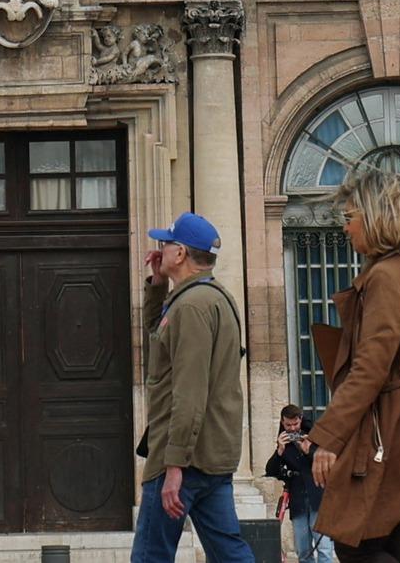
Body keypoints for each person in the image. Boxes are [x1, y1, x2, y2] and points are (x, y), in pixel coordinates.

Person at [305, 167, 400, 563]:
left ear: (374, 217)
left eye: (349, 217)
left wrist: (328, 438)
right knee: (392, 540)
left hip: (397, 425)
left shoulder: (387, 276)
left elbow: (370, 368)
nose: (345, 228)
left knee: (355, 541)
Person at [133, 211, 256, 563]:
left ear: (181, 253)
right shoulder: (212, 298)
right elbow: (162, 341)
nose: (160, 248)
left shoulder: (192, 306)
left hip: (183, 456)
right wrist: (157, 287)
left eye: (166, 243)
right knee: (229, 552)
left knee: (150, 556)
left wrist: (174, 465)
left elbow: (189, 391)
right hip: (211, 455)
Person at [265, 405, 332, 563]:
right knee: (303, 550)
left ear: (301, 420)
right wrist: (279, 450)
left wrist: (308, 450)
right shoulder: (284, 442)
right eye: (288, 425)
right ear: (282, 423)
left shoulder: (312, 435)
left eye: (296, 424)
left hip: (317, 495)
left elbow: (325, 461)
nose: (293, 428)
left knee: (324, 548)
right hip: (298, 500)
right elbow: (271, 470)